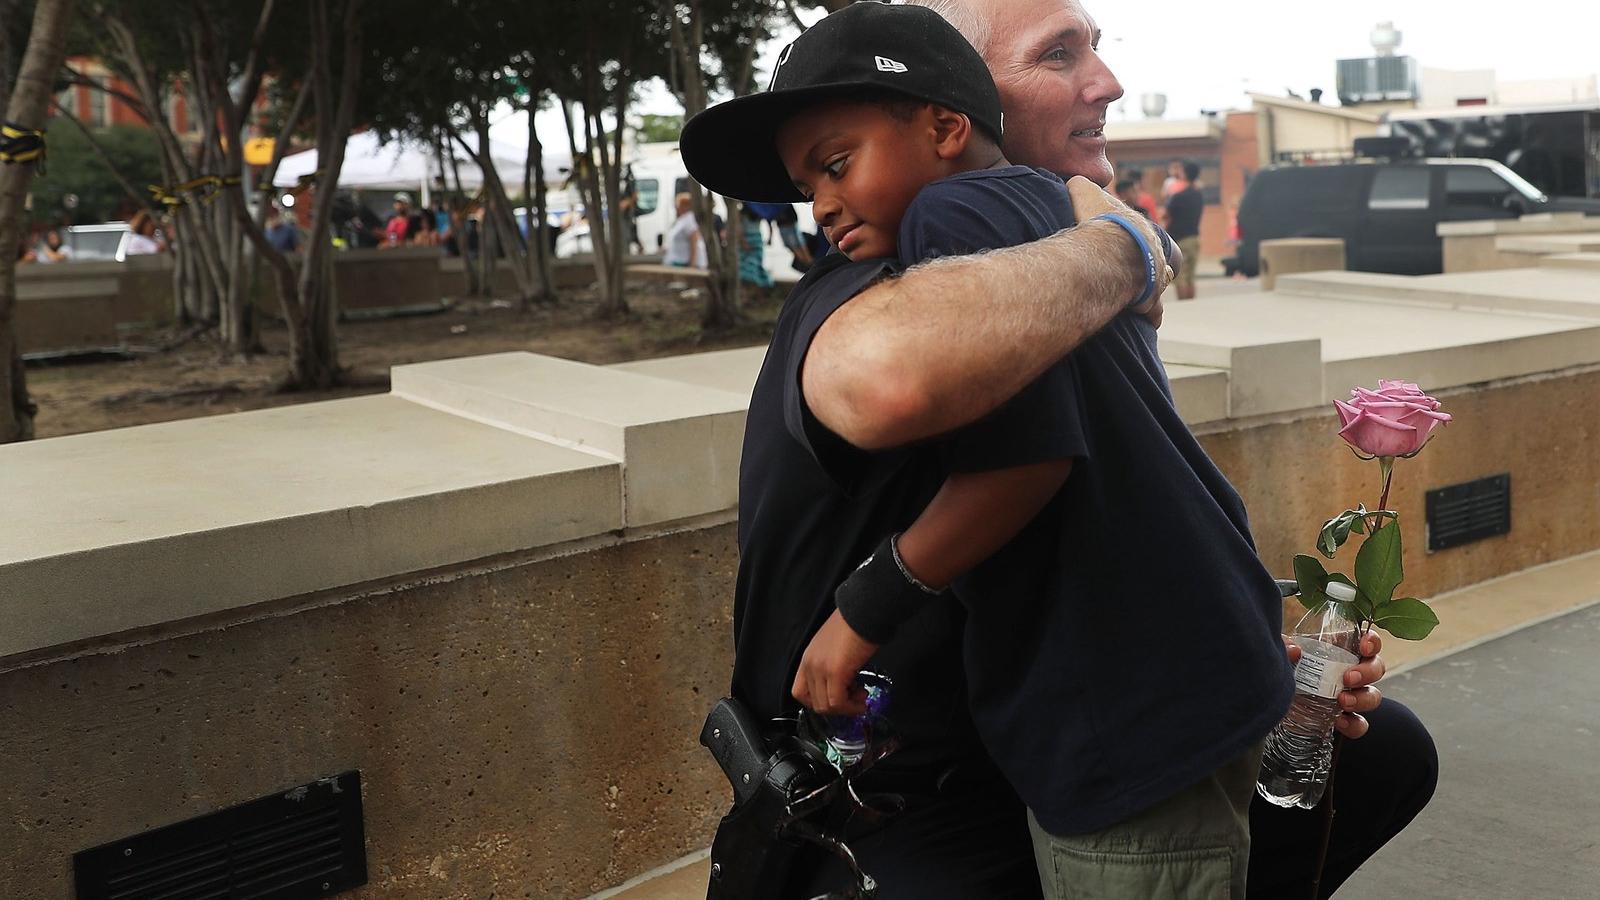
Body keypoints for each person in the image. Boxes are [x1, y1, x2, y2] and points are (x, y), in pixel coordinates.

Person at [683, 0, 1433, 897]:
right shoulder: (897, 275)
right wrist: (1128, 242)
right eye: (1058, 55)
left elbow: (1095, 494)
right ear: (963, 102)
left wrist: (1241, 664)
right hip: (892, 793)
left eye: (835, 166)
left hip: (1070, 731)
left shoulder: (1027, 258)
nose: (1106, 82)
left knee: (1383, 759)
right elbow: (901, 380)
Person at [1166, 161, 1205, 300]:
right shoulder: (1198, 195)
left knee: (1180, 277)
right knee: (1190, 277)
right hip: (1194, 237)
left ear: (1184, 174)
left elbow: (1167, 215)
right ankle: (1191, 305)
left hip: (1179, 239)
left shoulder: (1177, 196)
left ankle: (1183, 305)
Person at [662, 192, 706, 268]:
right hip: (679, 262)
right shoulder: (683, 219)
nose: (676, 208)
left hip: (686, 264)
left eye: (678, 205)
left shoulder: (690, 220)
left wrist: (691, 266)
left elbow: (694, 243)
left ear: (685, 206)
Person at [737, 204, 774, 289]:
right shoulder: (758, 211)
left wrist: (770, 238)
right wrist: (770, 238)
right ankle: (751, 290)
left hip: (752, 240)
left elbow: (738, 228)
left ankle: (752, 290)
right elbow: (738, 228)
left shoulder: (745, 212)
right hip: (754, 239)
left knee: (751, 265)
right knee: (751, 265)